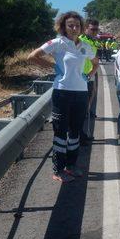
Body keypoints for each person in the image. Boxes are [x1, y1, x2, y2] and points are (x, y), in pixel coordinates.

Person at [28, 11, 96, 183]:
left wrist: (87, 75)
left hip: (81, 93)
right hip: (62, 92)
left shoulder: (85, 46)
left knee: (75, 132)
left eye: (77, 25)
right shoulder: (57, 43)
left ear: (81, 27)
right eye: (70, 25)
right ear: (63, 27)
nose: (74, 28)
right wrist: (53, 67)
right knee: (60, 132)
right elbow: (32, 56)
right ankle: (58, 169)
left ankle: (71, 165)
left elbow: (95, 63)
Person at [79, 19, 100, 144]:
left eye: (96, 29)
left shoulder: (92, 41)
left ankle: (81, 134)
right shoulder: (82, 41)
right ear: (86, 28)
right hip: (83, 77)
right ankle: (80, 135)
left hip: (89, 75)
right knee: (82, 108)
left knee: (85, 106)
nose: (95, 31)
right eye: (92, 29)